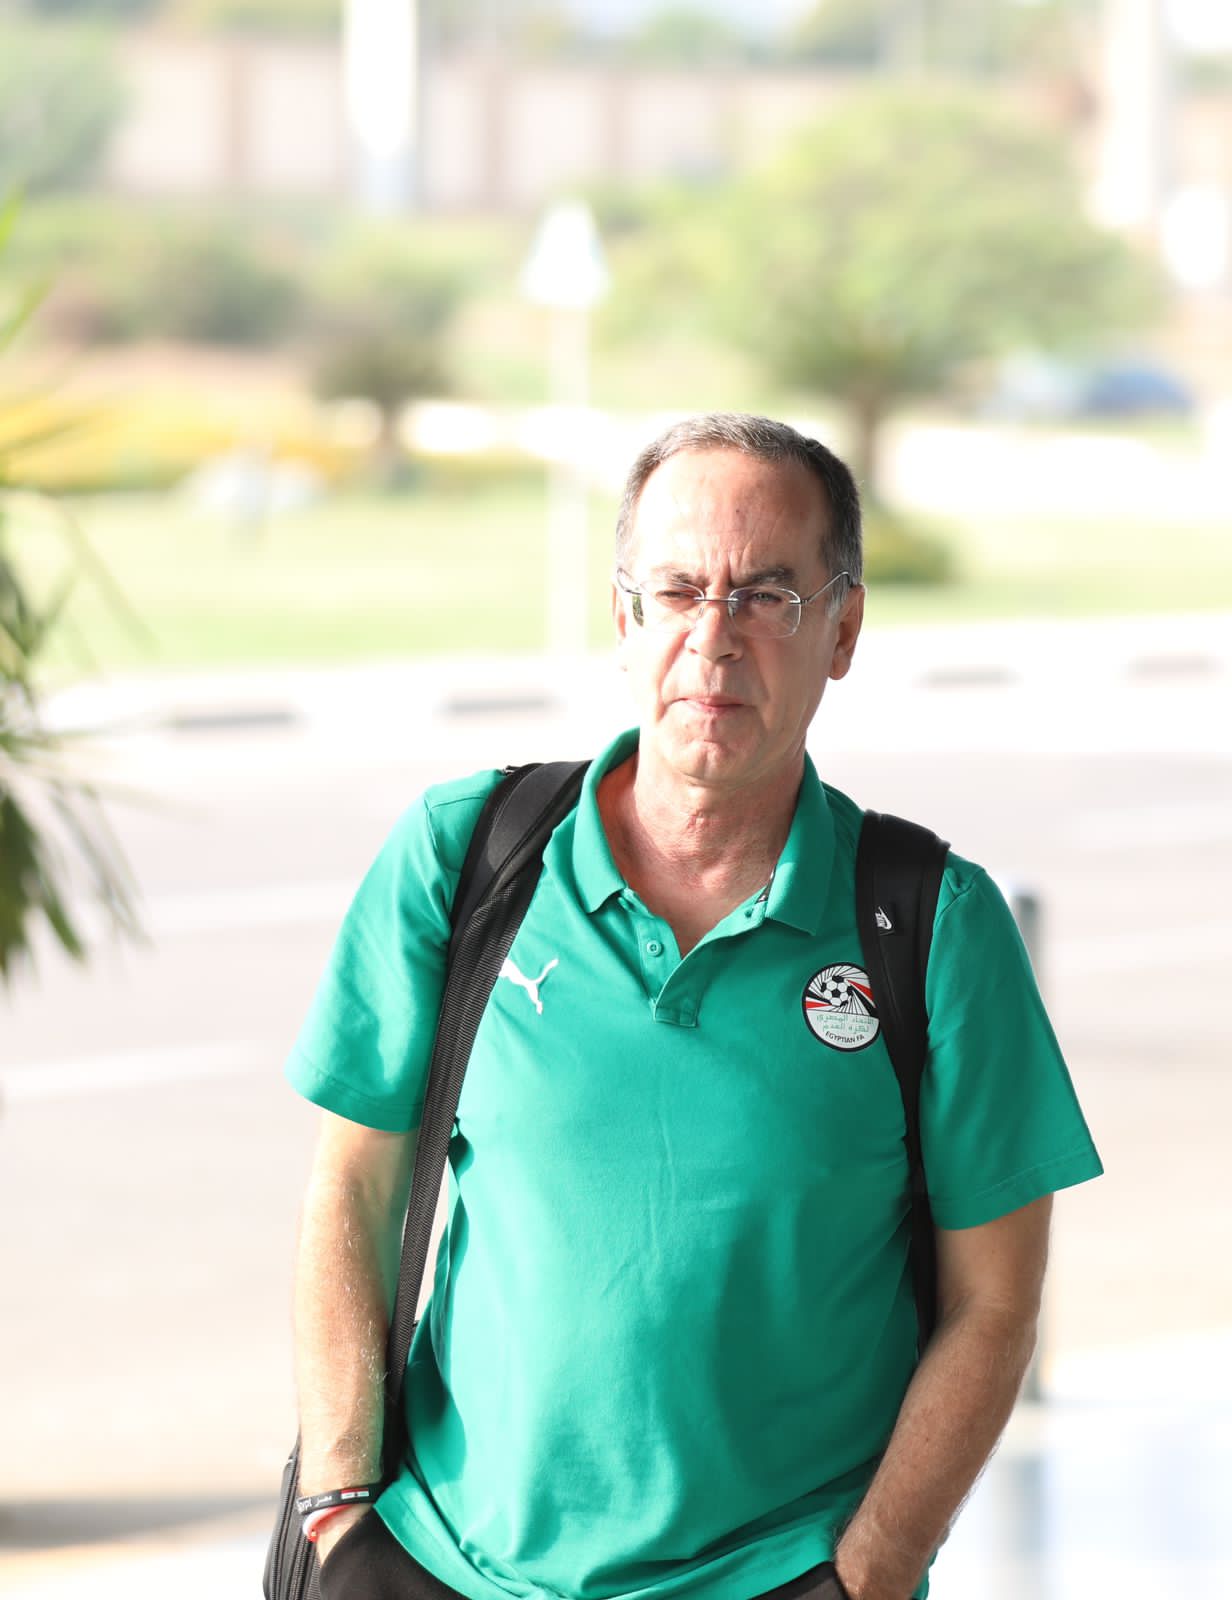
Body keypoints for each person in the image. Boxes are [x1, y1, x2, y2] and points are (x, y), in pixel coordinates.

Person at [285, 412, 1102, 1600]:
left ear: (842, 628)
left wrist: (871, 1567)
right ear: (624, 618)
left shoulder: (930, 925)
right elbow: (351, 1190)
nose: (711, 637)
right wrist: (338, 1508)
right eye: (675, 590)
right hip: (443, 1563)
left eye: (767, 594)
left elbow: (992, 1302)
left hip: (777, 1577)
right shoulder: (464, 859)